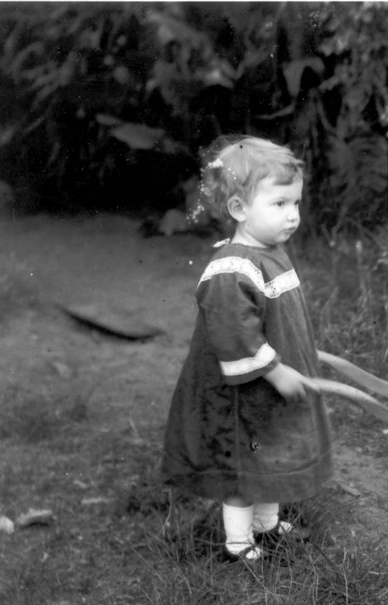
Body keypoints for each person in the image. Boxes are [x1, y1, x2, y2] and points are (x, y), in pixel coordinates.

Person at [162, 135, 332, 562]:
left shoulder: (272, 253)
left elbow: (279, 319)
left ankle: (267, 525)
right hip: (241, 395)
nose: (292, 216)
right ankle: (238, 545)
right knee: (243, 465)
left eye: (295, 204)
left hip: (266, 392)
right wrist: (275, 370)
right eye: (279, 205)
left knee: (268, 458)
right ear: (239, 210)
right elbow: (235, 335)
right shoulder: (232, 268)